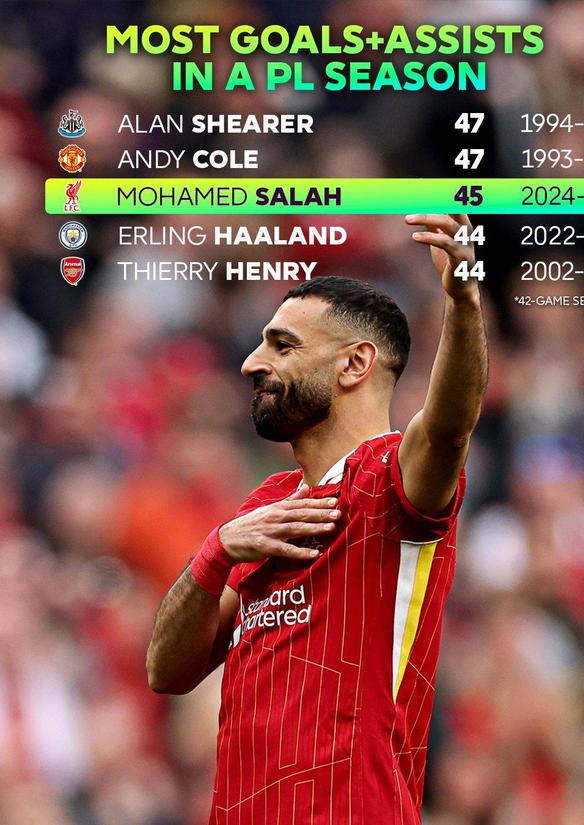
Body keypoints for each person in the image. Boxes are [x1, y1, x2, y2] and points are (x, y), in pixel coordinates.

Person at [146, 213, 488, 824]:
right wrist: (216, 551)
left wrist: (462, 303)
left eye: (283, 346)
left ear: (355, 364)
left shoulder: (391, 479)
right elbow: (166, 671)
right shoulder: (268, 504)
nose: (251, 363)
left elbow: (447, 428)